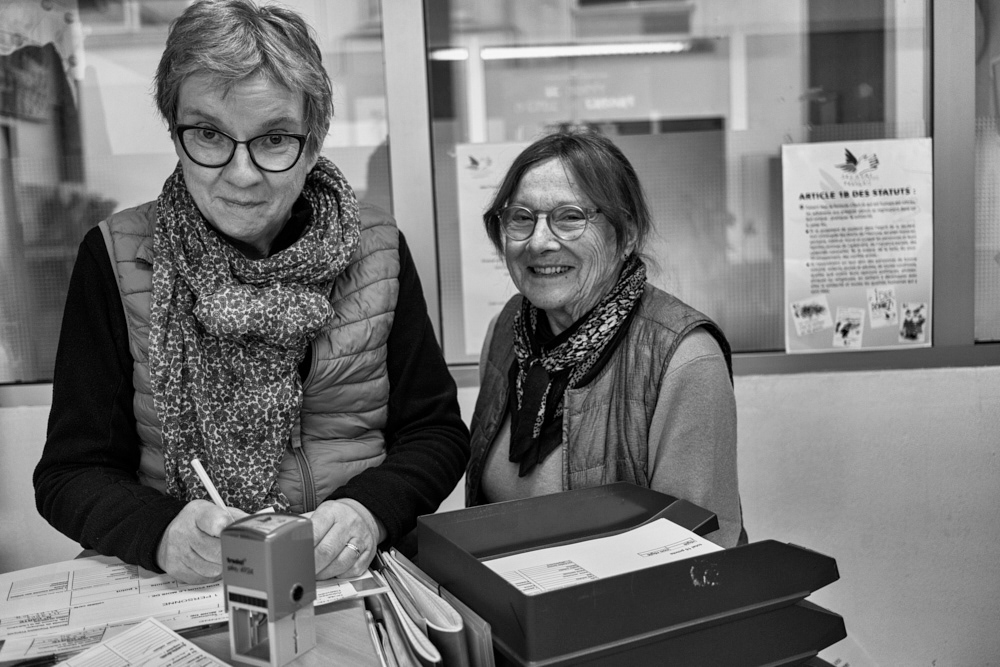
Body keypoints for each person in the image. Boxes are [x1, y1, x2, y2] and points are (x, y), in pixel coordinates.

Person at [33, 0, 469, 584]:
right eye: (210, 134)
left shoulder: (375, 245)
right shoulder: (116, 255)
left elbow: (435, 433)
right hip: (185, 588)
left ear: (312, 144)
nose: (241, 173)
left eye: (273, 139)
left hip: (348, 576)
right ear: (175, 131)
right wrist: (161, 533)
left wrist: (367, 511)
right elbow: (70, 473)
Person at [466, 129, 746, 547]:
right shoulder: (508, 330)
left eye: (570, 217)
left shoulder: (684, 358)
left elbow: (700, 556)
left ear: (626, 233)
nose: (540, 241)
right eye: (522, 218)